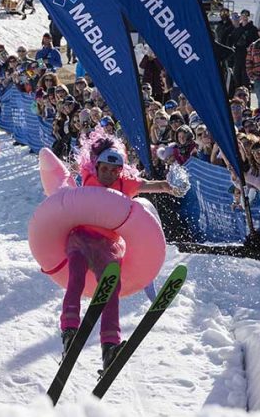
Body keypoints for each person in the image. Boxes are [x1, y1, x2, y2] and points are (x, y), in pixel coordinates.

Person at [61, 134, 182, 368]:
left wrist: (168, 187)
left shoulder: (123, 184)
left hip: (107, 246)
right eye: (106, 169)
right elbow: (71, 168)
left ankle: (110, 346)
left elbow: (148, 186)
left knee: (111, 288)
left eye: (116, 170)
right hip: (81, 238)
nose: (110, 175)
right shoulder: (88, 176)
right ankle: (69, 330)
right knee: (75, 274)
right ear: (97, 166)